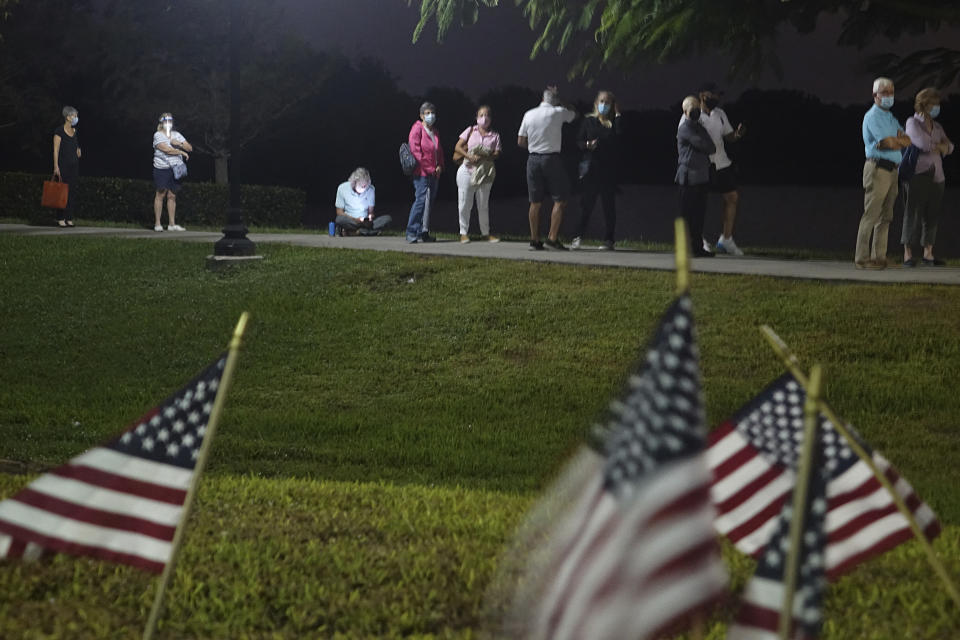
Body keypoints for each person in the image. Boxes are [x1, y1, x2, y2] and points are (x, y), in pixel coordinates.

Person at [680, 82, 746, 255]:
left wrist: (737, 135)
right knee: (699, 204)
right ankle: (699, 240)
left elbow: (728, 136)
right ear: (703, 95)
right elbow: (683, 135)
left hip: (722, 163)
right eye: (713, 95)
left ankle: (726, 239)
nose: (716, 98)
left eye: (718, 95)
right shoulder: (692, 114)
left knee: (732, 197)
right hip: (703, 166)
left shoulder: (720, 114)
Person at [856, 77, 912, 269]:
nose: (889, 96)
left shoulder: (890, 117)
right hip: (878, 168)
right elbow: (888, 142)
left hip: (893, 170)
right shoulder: (871, 117)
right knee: (871, 214)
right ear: (875, 95)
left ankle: (879, 257)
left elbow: (906, 140)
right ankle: (862, 259)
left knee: (886, 217)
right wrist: (892, 142)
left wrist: (893, 141)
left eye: (891, 92)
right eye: (885, 92)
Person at [518, 85, 577, 250]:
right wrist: (562, 99)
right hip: (552, 159)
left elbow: (520, 141)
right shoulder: (558, 112)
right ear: (555, 102)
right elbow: (574, 113)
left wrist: (535, 146)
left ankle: (534, 239)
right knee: (560, 199)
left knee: (535, 202)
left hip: (532, 159)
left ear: (542, 100)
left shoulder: (528, 114)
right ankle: (552, 238)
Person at [901, 88, 954, 267]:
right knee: (913, 213)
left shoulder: (937, 126)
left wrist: (943, 147)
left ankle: (928, 254)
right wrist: (941, 146)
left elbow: (951, 146)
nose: (937, 107)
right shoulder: (912, 122)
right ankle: (908, 254)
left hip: (938, 176)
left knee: (932, 215)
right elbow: (922, 143)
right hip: (918, 174)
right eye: (934, 103)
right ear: (925, 104)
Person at [572, 90, 622, 250]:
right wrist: (587, 145)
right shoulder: (588, 122)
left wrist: (619, 115)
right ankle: (578, 237)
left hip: (608, 170)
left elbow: (620, 137)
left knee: (608, 206)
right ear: (595, 103)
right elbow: (579, 141)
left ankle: (609, 240)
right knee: (586, 205)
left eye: (607, 102)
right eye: (601, 101)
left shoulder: (614, 123)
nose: (604, 105)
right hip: (591, 170)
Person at [454, 105, 502, 243]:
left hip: (484, 173)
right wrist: (469, 156)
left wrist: (485, 156)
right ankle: (463, 233)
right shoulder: (470, 130)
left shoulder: (495, 135)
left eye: (487, 115)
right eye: (481, 115)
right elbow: (457, 146)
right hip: (466, 171)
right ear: (476, 118)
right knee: (464, 204)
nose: (484, 118)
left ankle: (485, 234)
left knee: (483, 204)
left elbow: (497, 153)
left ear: (491, 118)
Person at [676, 96, 716, 258]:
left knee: (699, 216)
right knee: (687, 215)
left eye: (697, 107)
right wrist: (705, 142)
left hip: (701, 178)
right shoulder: (685, 128)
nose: (695, 110)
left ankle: (697, 248)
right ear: (685, 111)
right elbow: (704, 145)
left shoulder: (699, 127)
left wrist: (705, 141)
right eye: (692, 108)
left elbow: (712, 147)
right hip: (688, 178)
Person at [406, 102, 444, 243]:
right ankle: (411, 232)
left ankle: (423, 231)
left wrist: (440, 166)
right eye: (427, 113)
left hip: (434, 174)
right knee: (420, 202)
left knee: (429, 204)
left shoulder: (435, 132)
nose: (430, 116)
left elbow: (438, 151)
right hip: (421, 173)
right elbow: (416, 152)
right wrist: (430, 169)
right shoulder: (417, 129)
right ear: (421, 115)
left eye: (432, 113)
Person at [152, 113, 193, 232]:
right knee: (160, 194)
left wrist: (179, 144)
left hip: (176, 169)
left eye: (170, 121)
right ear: (161, 122)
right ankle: (158, 223)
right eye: (166, 121)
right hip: (162, 168)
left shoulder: (177, 135)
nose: (168, 123)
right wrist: (181, 152)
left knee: (172, 195)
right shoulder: (158, 135)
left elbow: (189, 148)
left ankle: (171, 224)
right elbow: (166, 149)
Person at [334, 167, 392, 236]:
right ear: (354, 182)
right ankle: (368, 232)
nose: (364, 187)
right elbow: (339, 212)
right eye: (362, 186)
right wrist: (355, 219)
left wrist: (369, 218)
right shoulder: (342, 188)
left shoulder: (371, 189)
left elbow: (371, 212)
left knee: (387, 219)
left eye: (366, 185)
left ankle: (357, 232)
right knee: (339, 219)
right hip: (351, 221)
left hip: (365, 223)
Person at [52, 106, 81, 227]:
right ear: (68, 117)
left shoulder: (74, 131)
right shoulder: (59, 131)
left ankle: (69, 218)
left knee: (71, 192)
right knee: (62, 192)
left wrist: (79, 150)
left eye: (76, 116)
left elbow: (75, 146)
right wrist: (56, 166)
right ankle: (60, 218)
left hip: (74, 166)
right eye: (74, 116)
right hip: (63, 166)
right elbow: (56, 150)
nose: (76, 118)